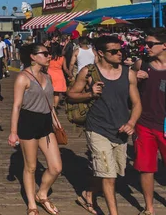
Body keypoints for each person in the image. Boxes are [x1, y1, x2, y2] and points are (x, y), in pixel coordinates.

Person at [67, 35, 141, 215]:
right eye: (113, 51)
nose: (119, 54)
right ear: (101, 53)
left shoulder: (128, 73)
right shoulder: (88, 72)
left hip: (121, 130)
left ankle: (87, 193)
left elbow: (137, 103)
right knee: (109, 176)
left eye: (120, 50)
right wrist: (90, 94)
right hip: (97, 128)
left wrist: (131, 123)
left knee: (110, 171)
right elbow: (71, 95)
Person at [8, 43, 62, 215]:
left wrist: (56, 121)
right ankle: (32, 205)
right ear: (33, 56)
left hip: (46, 123)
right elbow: (16, 106)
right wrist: (13, 132)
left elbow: (51, 104)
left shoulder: (48, 77)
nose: (48, 56)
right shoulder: (23, 78)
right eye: (45, 53)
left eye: (49, 53)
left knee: (56, 167)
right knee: (30, 167)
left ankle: (42, 193)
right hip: (28, 123)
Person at [132, 28, 166, 215]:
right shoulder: (141, 64)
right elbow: (124, 84)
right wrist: (133, 79)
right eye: (146, 43)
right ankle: (149, 208)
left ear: (164, 45)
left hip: (165, 125)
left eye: (151, 44)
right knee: (146, 168)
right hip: (144, 124)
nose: (147, 47)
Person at [47, 43, 69, 110]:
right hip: (59, 75)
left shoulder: (49, 57)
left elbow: (45, 66)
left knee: (49, 93)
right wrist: (70, 74)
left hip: (49, 74)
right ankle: (54, 108)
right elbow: (65, 68)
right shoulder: (62, 58)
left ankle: (49, 107)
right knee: (57, 94)